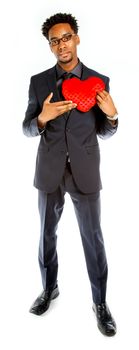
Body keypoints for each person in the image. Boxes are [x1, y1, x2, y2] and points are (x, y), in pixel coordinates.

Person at [23, 13, 118, 336]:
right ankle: (50, 288)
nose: (61, 45)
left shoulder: (99, 80)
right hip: (49, 171)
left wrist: (113, 115)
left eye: (66, 37)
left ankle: (100, 302)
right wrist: (42, 118)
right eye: (54, 41)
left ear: (76, 38)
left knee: (93, 238)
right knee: (46, 234)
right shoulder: (38, 82)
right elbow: (26, 128)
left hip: (85, 172)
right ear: (49, 46)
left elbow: (105, 131)